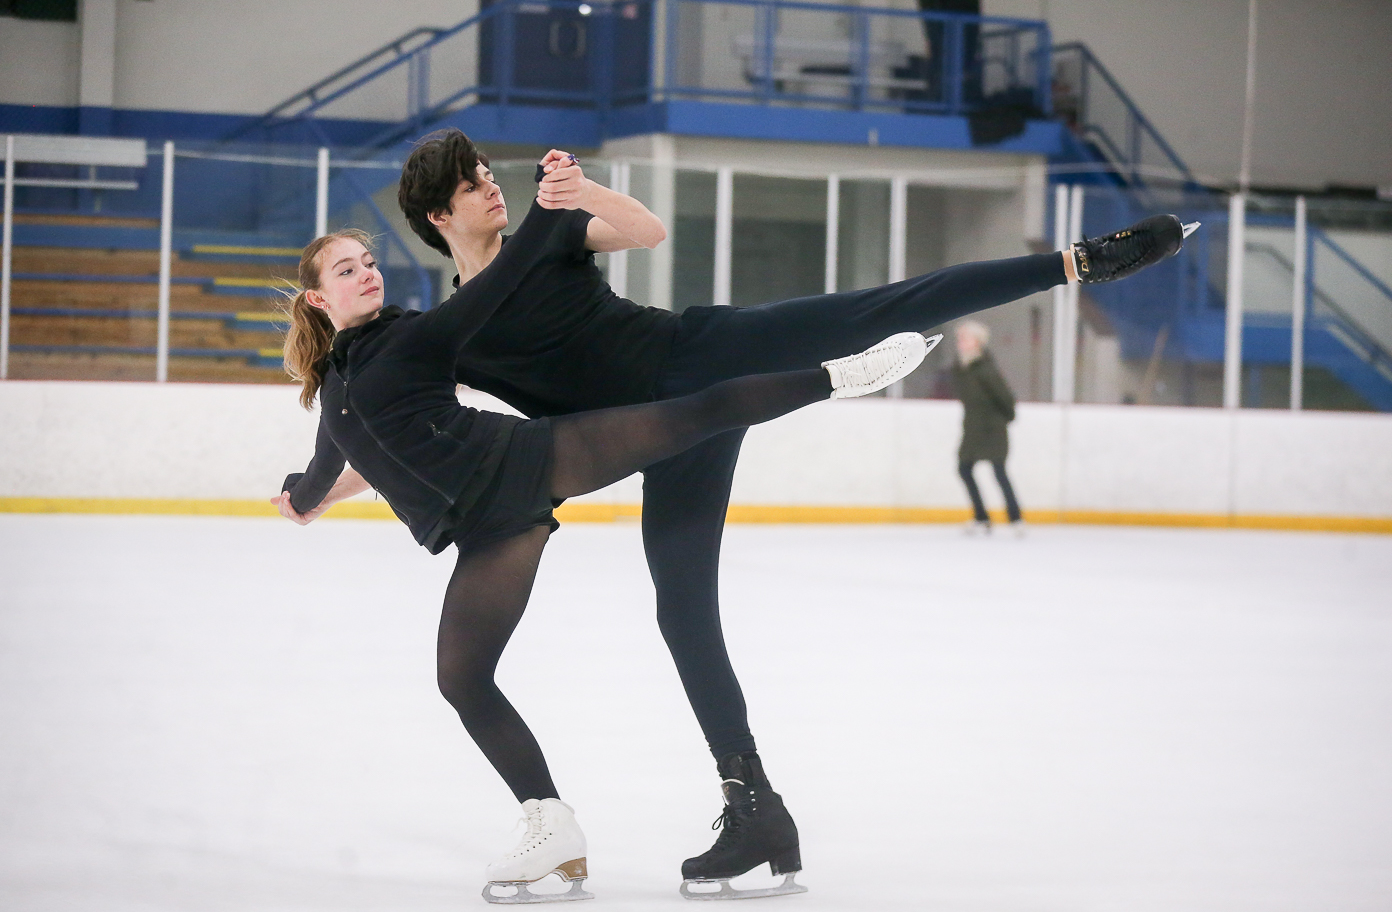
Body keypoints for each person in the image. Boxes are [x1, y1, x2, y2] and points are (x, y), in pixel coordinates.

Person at [359, 129, 1189, 900]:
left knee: (875, 308)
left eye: (487, 173)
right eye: (471, 185)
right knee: (682, 613)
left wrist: (584, 193)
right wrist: (320, 488)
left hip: (701, 355)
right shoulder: (451, 332)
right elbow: (391, 424)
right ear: (438, 217)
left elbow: (646, 230)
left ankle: (1077, 262)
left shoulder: (549, 235)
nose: (491, 187)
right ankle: (756, 807)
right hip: (667, 438)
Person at [270, 205, 933, 902]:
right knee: (461, 678)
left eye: (369, 262)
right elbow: (328, 463)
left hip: (528, 462)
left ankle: (841, 376)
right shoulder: (336, 386)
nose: (367, 274)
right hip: (488, 531)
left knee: (689, 415)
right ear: (318, 298)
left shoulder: (417, 336)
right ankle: (551, 826)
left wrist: (546, 208)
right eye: (347, 269)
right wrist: (305, 498)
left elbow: (506, 274)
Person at [952, 319, 1023, 535]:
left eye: (965, 338)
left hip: (992, 429)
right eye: (959, 338)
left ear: (977, 342)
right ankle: (981, 517)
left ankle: (1016, 519)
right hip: (973, 429)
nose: (960, 342)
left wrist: (1005, 418)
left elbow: (1005, 398)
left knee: (999, 472)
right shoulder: (961, 368)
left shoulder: (985, 369)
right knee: (964, 469)